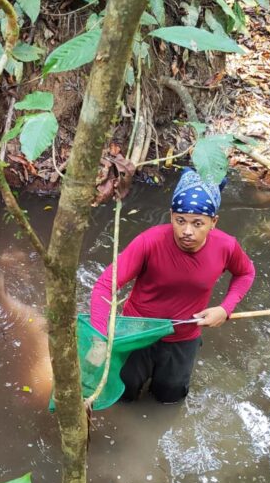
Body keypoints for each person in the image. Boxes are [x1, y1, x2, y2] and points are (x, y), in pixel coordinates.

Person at [90, 168, 255, 403]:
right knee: (122, 394)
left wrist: (225, 308)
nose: (187, 231)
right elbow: (105, 285)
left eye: (198, 223)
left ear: (213, 222)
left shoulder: (226, 247)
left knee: (170, 397)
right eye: (180, 221)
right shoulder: (149, 241)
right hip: (138, 332)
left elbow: (246, 273)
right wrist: (99, 338)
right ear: (171, 216)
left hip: (183, 337)